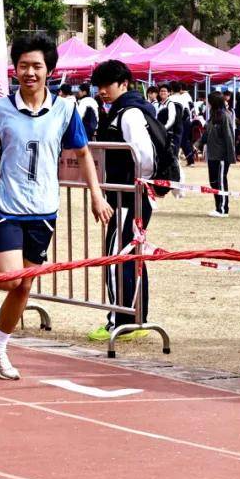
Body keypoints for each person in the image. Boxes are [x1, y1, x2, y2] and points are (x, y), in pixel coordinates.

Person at [0, 33, 113, 379]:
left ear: (49, 71)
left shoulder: (65, 110)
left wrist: (96, 195)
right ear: (15, 70)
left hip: (45, 209)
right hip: (9, 207)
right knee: (9, 281)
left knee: (24, 285)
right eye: (24, 65)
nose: (30, 72)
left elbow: (83, 154)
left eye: (37, 66)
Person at [88, 60, 158, 342]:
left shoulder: (128, 113)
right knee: (131, 257)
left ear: (124, 84)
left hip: (129, 196)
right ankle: (135, 316)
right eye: (99, 85)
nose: (103, 90)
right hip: (129, 194)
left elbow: (144, 156)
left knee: (119, 255)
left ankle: (121, 319)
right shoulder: (124, 110)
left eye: (108, 84)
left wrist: (139, 182)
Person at [198, 91, 236, 217]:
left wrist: (231, 157)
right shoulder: (213, 116)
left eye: (209, 101)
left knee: (220, 181)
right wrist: (197, 145)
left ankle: (223, 209)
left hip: (222, 156)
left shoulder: (225, 116)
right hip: (212, 155)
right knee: (213, 182)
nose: (207, 103)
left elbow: (229, 137)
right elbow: (207, 133)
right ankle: (218, 207)